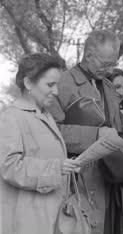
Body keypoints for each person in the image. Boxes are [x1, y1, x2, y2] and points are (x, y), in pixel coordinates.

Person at [48, 30, 123, 234]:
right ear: (88, 56)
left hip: (113, 176)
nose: (110, 70)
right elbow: (52, 133)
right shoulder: (63, 83)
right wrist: (94, 135)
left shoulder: (107, 85)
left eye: (113, 64)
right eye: (106, 64)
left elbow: (114, 127)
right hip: (81, 182)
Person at [0, 53, 80, 234]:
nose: (56, 91)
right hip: (28, 223)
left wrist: (68, 166)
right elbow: (9, 167)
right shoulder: (10, 117)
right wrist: (56, 168)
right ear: (28, 84)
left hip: (51, 218)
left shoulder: (46, 114)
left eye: (57, 85)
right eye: (50, 85)